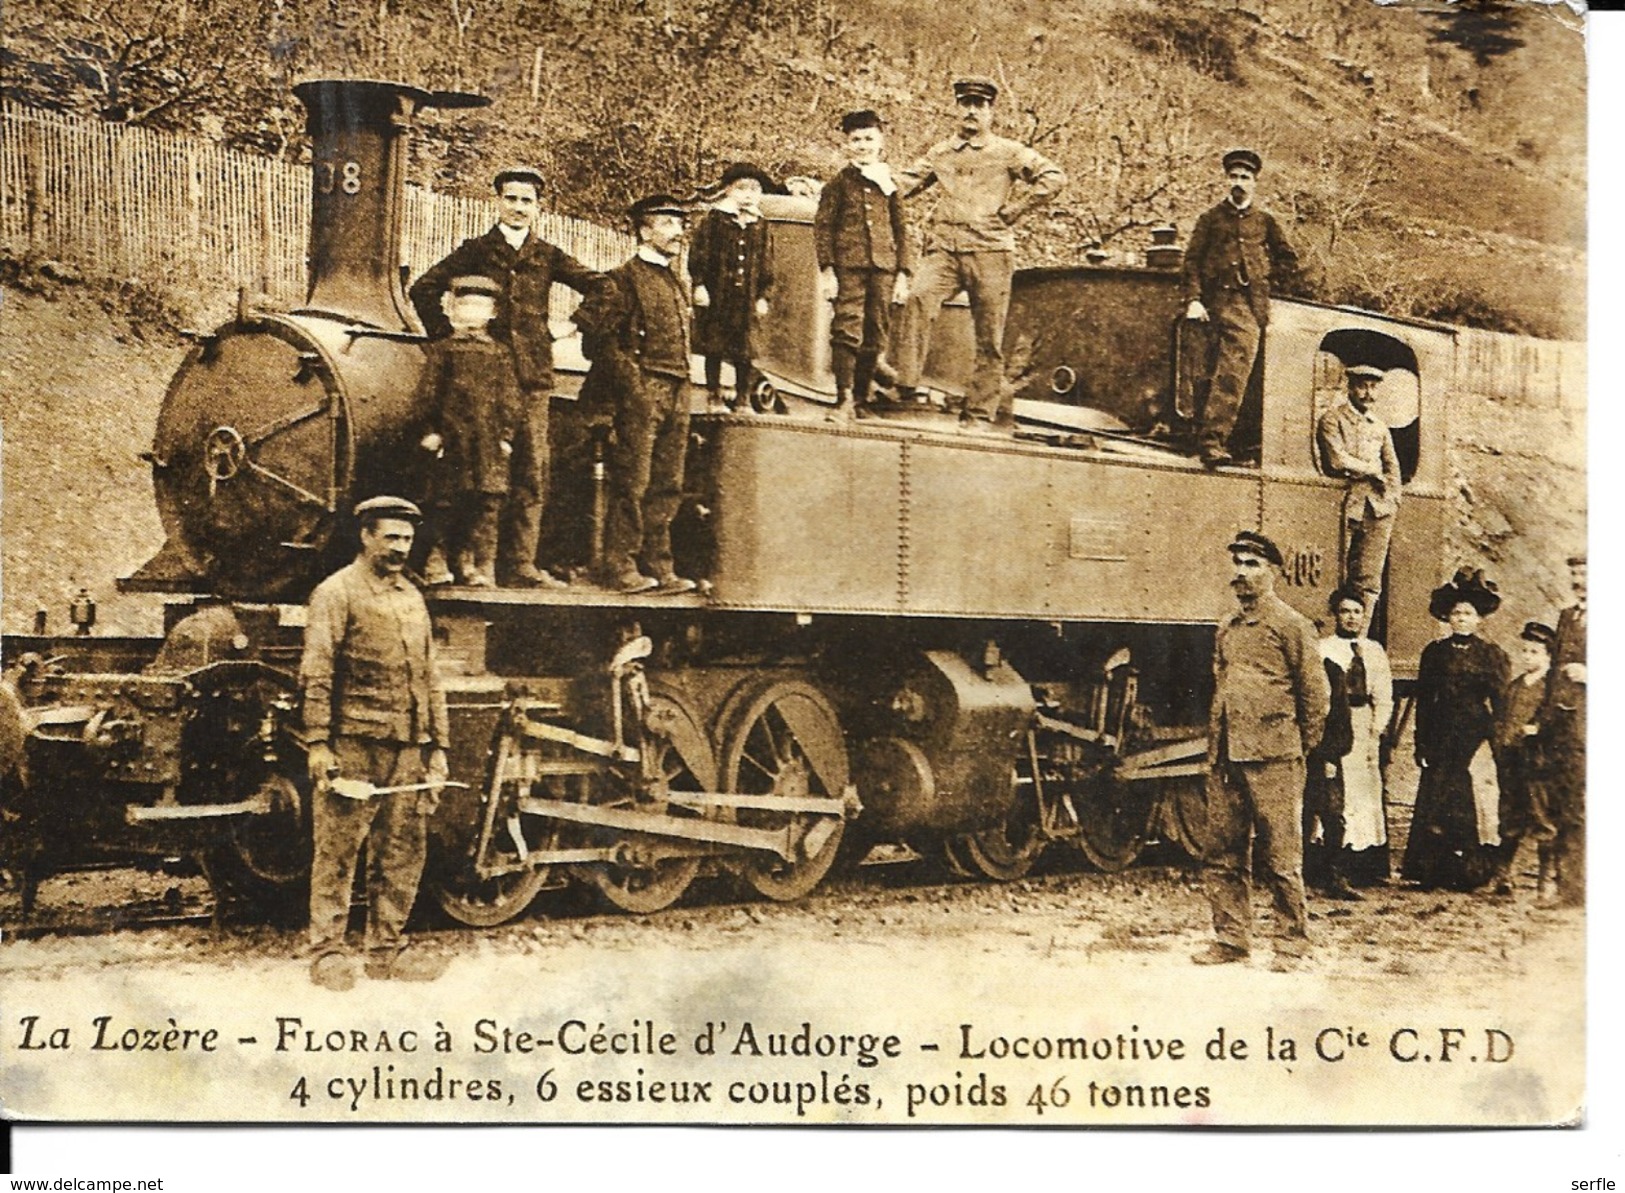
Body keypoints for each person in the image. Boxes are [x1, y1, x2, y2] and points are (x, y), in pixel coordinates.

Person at [408, 166, 603, 588]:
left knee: (531, 471)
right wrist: (451, 339)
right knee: (467, 477)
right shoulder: (476, 249)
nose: (517, 207)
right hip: (478, 384)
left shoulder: (547, 254)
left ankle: (520, 565)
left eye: (526, 200)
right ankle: (466, 563)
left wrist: (568, 326)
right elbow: (423, 289)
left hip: (531, 378)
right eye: (510, 198)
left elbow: (604, 288)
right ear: (498, 201)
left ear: (538, 207)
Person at [300, 496, 450, 990]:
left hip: (407, 746)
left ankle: (386, 951)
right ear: (365, 536)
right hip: (354, 745)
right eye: (391, 538)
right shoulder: (335, 593)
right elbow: (317, 672)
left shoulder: (413, 597)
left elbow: (430, 677)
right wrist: (319, 743)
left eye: (407, 539)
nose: (400, 548)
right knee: (338, 851)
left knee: (402, 851)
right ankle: (327, 953)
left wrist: (438, 747)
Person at [892, 76, 1066, 431]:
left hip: (990, 253)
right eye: (965, 104)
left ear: (990, 111)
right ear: (956, 108)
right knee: (918, 299)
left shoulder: (1008, 151)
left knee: (989, 335)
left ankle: (979, 412)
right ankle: (905, 385)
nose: (971, 111)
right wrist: (858, 183)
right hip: (945, 252)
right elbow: (902, 184)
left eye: (979, 105)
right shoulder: (940, 153)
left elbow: (1053, 177)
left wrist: (1017, 209)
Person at [1194, 530, 1329, 973]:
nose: (1241, 572)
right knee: (1222, 852)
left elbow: (1315, 695)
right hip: (1228, 756)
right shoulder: (1226, 628)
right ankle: (1231, 940)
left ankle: (1292, 945)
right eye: (1237, 563)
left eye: (1252, 565)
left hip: (1275, 757)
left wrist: (1296, 747)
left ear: (1274, 572)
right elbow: (1223, 687)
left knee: (1281, 856)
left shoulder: (1292, 625)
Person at [571, 194, 698, 596]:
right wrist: (635, 385)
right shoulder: (620, 280)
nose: (677, 233)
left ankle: (660, 566)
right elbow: (598, 343)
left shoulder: (676, 280)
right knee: (633, 481)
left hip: (679, 388)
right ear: (644, 230)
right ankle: (620, 565)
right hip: (642, 392)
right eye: (668, 224)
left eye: (679, 225)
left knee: (668, 483)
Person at [1182, 148, 1300, 468]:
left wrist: (1263, 283)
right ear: (1226, 180)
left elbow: (1288, 260)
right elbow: (1191, 262)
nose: (1238, 183)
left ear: (1254, 183)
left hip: (1247, 306)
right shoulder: (1210, 219)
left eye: (1245, 178)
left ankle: (1214, 441)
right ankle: (1200, 437)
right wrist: (1193, 299)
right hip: (1210, 304)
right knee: (1203, 373)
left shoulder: (1265, 222)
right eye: (1233, 176)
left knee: (1234, 373)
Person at [1401, 569, 1510, 892]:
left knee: (1467, 798)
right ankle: (1431, 870)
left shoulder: (1492, 655)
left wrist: (1497, 742)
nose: (1461, 619)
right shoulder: (1434, 652)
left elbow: (1500, 703)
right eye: (1456, 613)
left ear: (1479, 619)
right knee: (1436, 797)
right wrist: (1421, 743)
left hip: (1474, 735)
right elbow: (1424, 700)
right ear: (1447, 617)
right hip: (1440, 732)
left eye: (1468, 614)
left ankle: (1467, 872)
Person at [416, 275, 520, 587]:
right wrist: (431, 430)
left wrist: (505, 436)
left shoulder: (500, 354)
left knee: (485, 504)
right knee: (445, 502)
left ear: (493, 313)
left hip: (488, 442)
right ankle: (437, 562)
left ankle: (477, 565)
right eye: (465, 306)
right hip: (452, 440)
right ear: (452, 312)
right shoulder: (443, 351)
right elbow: (427, 395)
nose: (472, 313)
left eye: (480, 307)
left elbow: (511, 399)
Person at [814, 109, 914, 420]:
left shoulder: (889, 184)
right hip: (849, 267)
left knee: (876, 332)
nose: (862, 145)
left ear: (880, 141)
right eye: (856, 139)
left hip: (884, 268)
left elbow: (902, 230)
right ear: (847, 144)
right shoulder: (838, 184)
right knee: (846, 329)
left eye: (868, 139)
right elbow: (824, 228)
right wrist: (828, 270)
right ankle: (842, 398)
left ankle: (860, 399)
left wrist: (903, 273)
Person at [1309, 586, 1394, 896]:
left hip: (1363, 724)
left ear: (1364, 616)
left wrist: (1375, 732)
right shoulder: (1323, 649)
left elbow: (1384, 696)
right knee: (1333, 796)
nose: (1351, 617)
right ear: (1336, 615)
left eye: (1357, 612)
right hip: (1334, 726)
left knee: (1363, 793)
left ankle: (1363, 866)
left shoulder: (1374, 651)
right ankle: (1329, 865)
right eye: (1345, 611)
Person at [1317, 363, 1403, 628]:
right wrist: (1370, 470)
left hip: (1376, 509)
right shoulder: (1332, 419)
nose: (1369, 393)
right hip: (1344, 502)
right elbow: (1337, 459)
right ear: (1350, 387)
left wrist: (1392, 500)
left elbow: (1392, 468)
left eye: (1374, 387)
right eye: (1363, 386)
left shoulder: (1379, 427)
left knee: (1368, 579)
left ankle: (1359, 637)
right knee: (1336, 573)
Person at [689, 162, 776, 412]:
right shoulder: (714, 221)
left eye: (753, 189)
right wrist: (699, 285)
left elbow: (767, 263)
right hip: (718, 296)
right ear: (728, 191)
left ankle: (742, 398)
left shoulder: (760, 225)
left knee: (744, 350)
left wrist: (764, 296)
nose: (748, 195)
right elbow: (699, 255)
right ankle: (714, 395)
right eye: (741, 189)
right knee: (714, 345)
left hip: (746, 298)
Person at [1490, 621, 1559, 899]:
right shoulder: (1515, 685)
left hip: (1538, 763)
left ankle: (1546, 879)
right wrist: (1500, 744)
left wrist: (1539, 729)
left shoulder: (1551, 688)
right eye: (1525, 651)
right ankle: (1504, 875)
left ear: (1548, 656)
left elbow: (1558, 722)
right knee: (1510, 816)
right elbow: (1502, 720)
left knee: (1542, 817)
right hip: (1512, 762)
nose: (1528, 657)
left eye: (1534, 652)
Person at [1540, 552, 1586, 906]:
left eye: (1585, 574)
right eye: (1574, 575)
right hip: (1563, 728)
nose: (1579, 581)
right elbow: (1554, 671)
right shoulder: (1567, 616)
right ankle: (1570, 887)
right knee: (1564, 806)